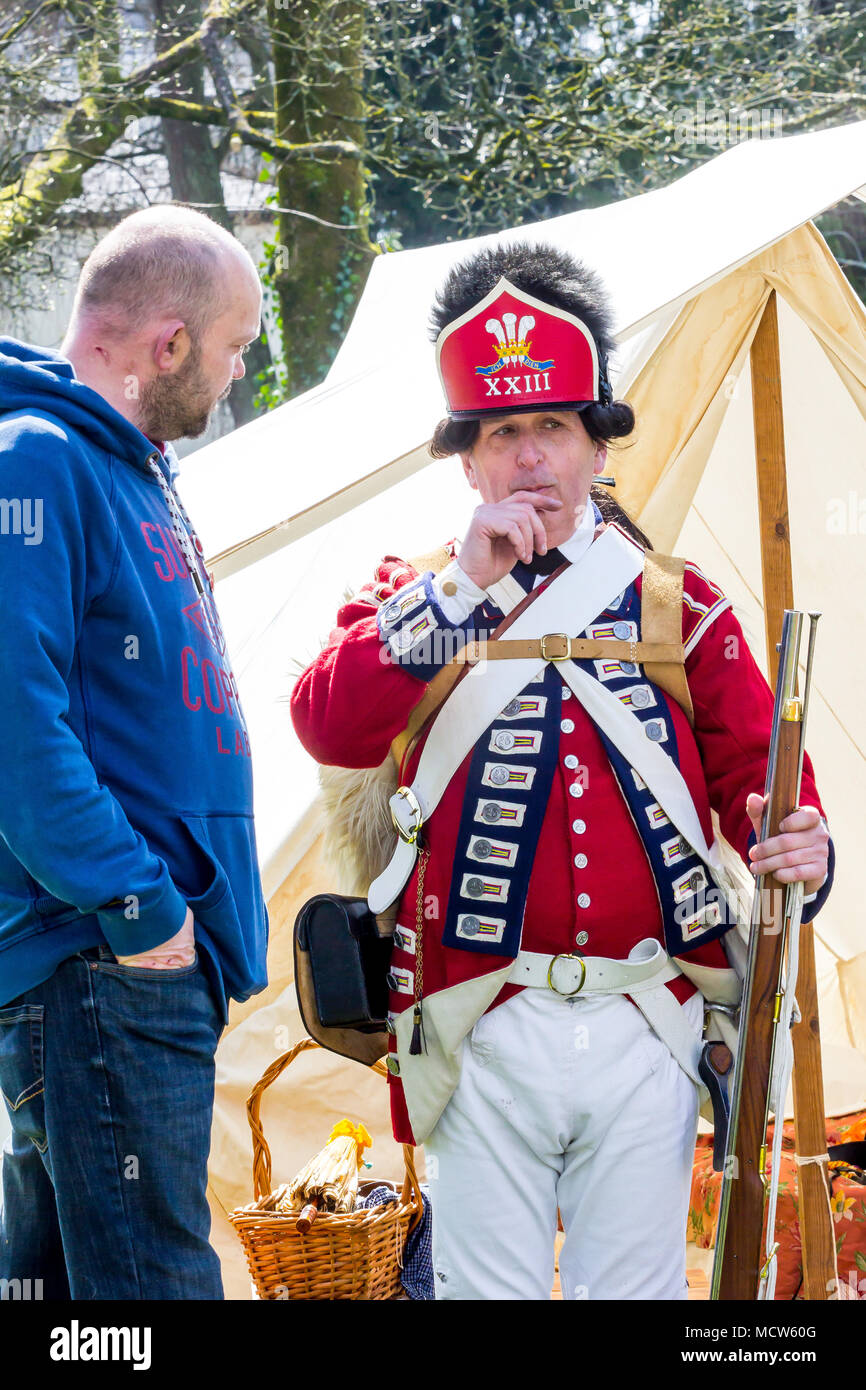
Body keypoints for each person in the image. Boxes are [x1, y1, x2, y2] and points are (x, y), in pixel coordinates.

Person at [290, 241, 833, 1301]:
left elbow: (765, 785)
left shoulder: (680, 607)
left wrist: (797, 838)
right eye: (501, 433)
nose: (528, 457)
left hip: (652, 1015)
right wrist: (458, 589)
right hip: (470, 1018)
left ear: (594, 447)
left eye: (551, 427)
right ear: (468, 462)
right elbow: (330, 723)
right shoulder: (412, 594)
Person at [0, 205, 268, 1299]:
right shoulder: (38, 458)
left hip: (128, 967)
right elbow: (13, 720)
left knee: (78, 1306)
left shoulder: (132, 467)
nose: (238, 371)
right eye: (234, 346)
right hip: (100, 962)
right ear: (169, 344)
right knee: (152, 1296)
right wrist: (141, 908)